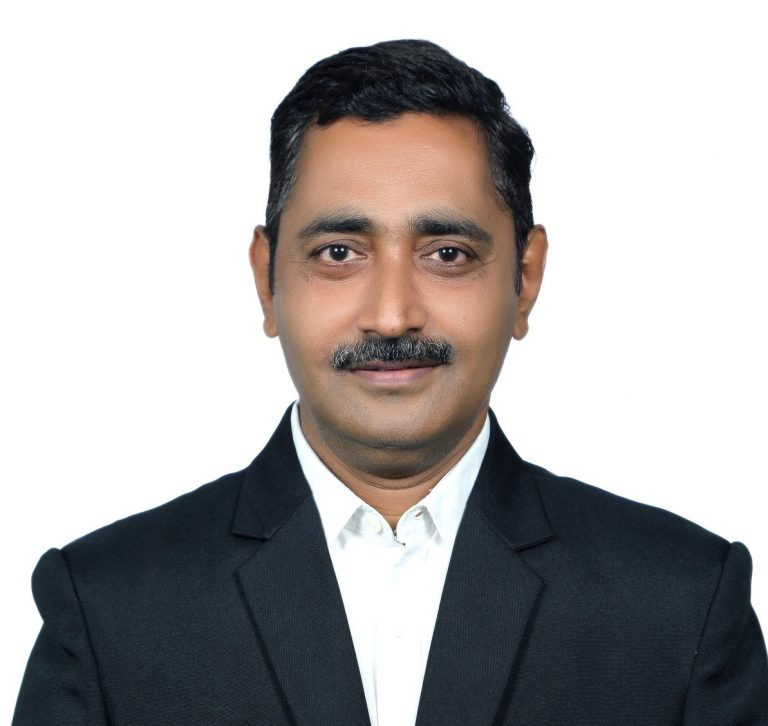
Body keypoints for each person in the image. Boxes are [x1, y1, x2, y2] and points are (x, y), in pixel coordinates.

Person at [13, 39, 768, 726]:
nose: (391, 314)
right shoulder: (108, 609)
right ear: (267, 280)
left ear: (526, 278)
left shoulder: (682, 605)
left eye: (447, 254)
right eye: (340, 253)